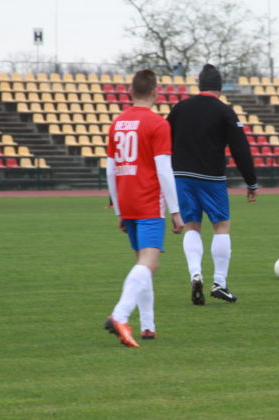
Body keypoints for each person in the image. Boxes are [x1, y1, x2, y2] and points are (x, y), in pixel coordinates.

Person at [104, 69, 184, 347]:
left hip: (126, 199)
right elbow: (164, 170)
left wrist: (118, 208)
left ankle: (148, 326)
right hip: (148, 200)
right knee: (150, 262)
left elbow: (110, 169)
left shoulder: (117, 123)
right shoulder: (157, 123)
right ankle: (119, 315)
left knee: (142, 262)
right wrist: (175, 211)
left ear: (130, 92)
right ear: (155, 92)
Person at [167, 64, 257, 305]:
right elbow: (240, 149)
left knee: (192, 226)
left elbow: (165, 139)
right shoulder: (224, 111)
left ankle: (195, 274)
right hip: (212, 178)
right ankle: (219, 282)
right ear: (220, 87)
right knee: (221, 227)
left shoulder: (180, 108)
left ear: (199, 85)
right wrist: (251, 182)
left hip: (182, 177)